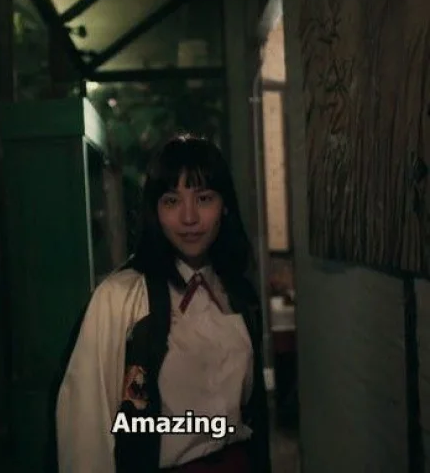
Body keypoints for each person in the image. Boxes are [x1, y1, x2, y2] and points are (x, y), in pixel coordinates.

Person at [56, 133, 271, 473]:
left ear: (225, 206)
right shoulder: (121, 298)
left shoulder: (239, 295)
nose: (189, 217)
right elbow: (87, 424)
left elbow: (253, 415)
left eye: (204, 198)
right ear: (155, 211)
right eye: (172, 201)